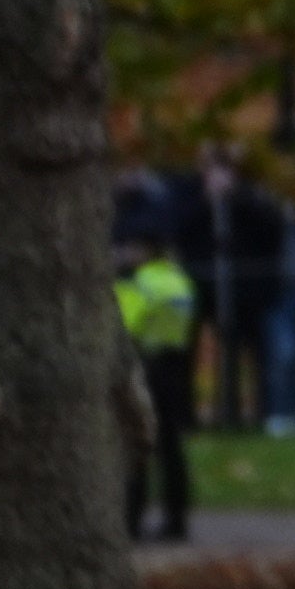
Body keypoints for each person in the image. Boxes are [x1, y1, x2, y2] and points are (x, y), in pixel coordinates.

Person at [114, 205, 199, 543]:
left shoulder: (141, 283)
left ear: (144, 249)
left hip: (145, 367)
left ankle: (131, 521)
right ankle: (177, 519)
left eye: (130, 247)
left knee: (136, 447)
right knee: (172, 448)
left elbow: (125, 326)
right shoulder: (180, 281)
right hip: (176, 368)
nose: (125, 253)